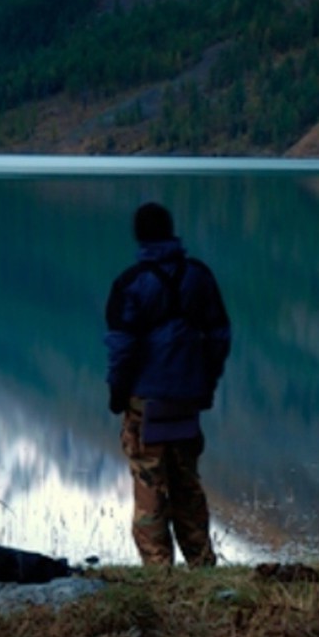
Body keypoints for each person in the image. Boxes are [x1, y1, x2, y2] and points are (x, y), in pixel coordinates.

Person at [103, 201, 231, 567]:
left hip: (146, 402)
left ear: (140, 235)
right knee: (187, 484)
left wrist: (118, 391)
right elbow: (219, 335)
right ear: (171, 231)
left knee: (150, 487)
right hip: (187, 399)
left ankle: (159, 573)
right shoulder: (200, 276)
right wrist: (207, 381)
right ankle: (202, 565)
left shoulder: (131, 283)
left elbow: (122, 346)